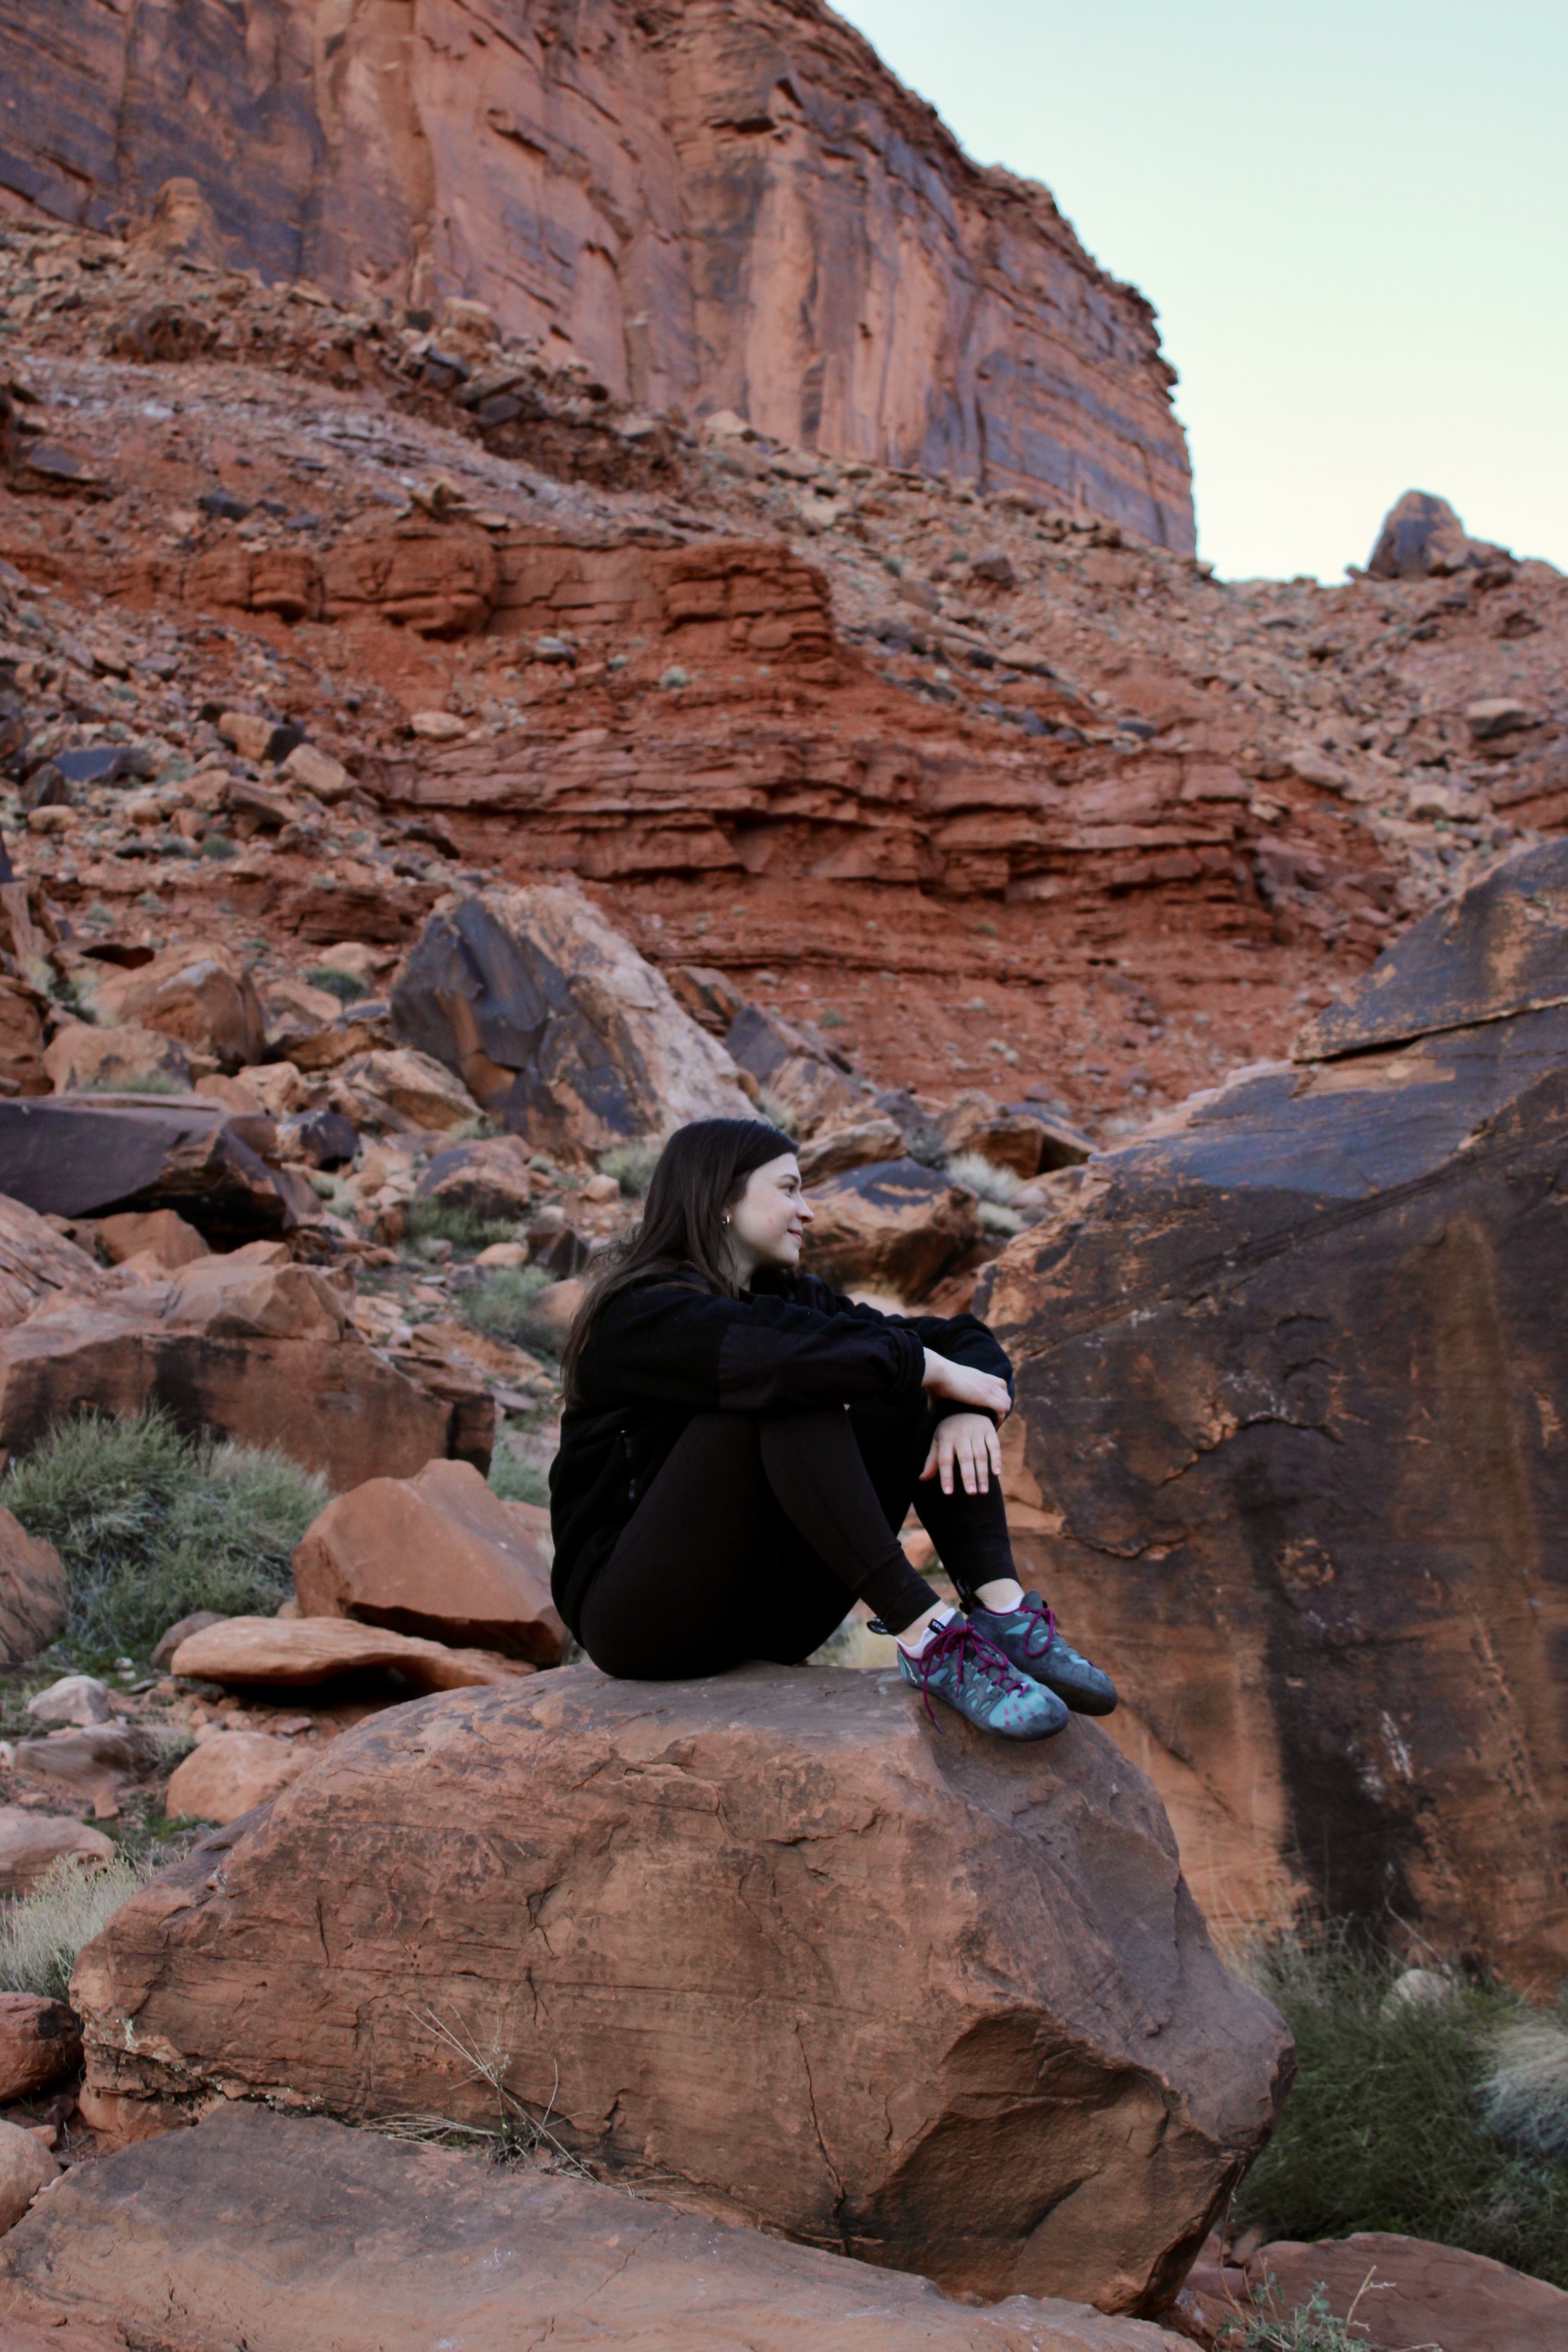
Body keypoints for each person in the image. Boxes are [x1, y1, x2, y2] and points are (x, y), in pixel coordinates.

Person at [550, 1118, 1117, 1740]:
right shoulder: (637, 1314)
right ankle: (926, 1639)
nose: (808, 1210)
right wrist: (929, 1369)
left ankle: (1002, 1612)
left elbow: (953, 1336)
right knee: (809, 1380)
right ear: (721, 1200)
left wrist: (963, 1408)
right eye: (789, 1189)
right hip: (639, 1621)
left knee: (884, 1379)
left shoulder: (791, 1301)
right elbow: (799, 1362)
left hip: (774, 1619)